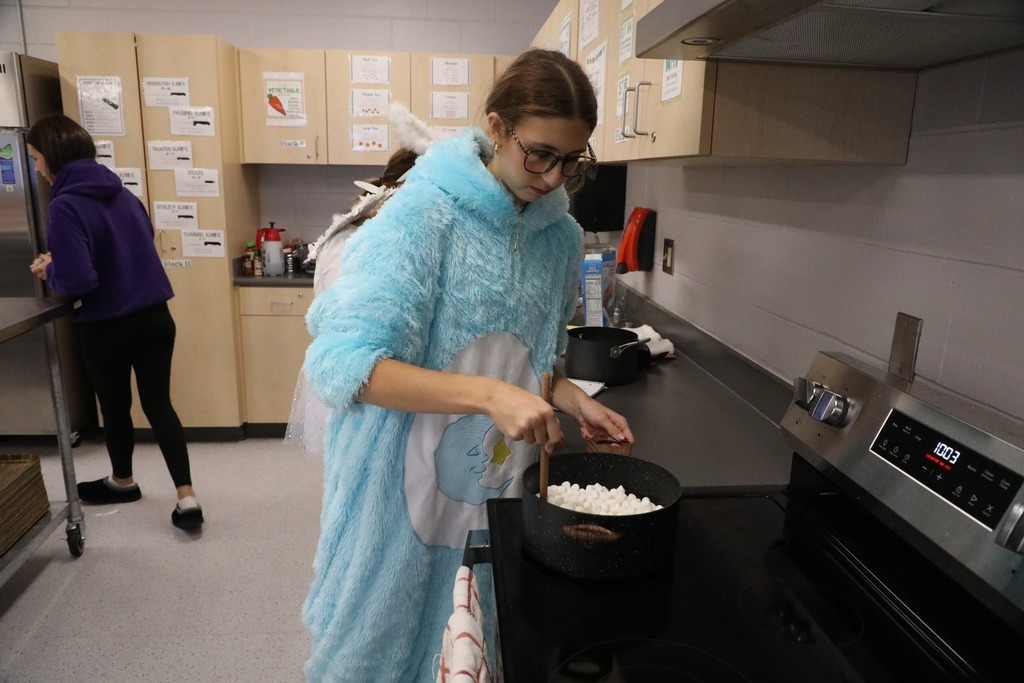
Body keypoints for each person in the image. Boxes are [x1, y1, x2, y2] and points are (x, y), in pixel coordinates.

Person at [301, 49, 632, 682]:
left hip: (495, 487)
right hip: (396, 495)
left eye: (572, 160)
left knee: (474, 649)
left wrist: (568, 397)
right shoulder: (424, 216)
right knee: (383, 656)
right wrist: (487, 396)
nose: (554, 178)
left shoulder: (558, 238)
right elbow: (345, 367)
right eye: (539, 154)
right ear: (497, 127)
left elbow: (528, 361)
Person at [27, 114, 202, 531]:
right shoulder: (125, 196)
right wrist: (67, 260)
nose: (35, 168)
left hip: (108, 324)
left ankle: (123, 481)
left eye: (35, 158)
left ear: (52, 157)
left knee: (116, 406)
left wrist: (50, 270)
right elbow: (134, 248)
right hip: (156, 317)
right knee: (160, 405)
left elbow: (80, 279)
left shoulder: (65, 205)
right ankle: (187, 497)